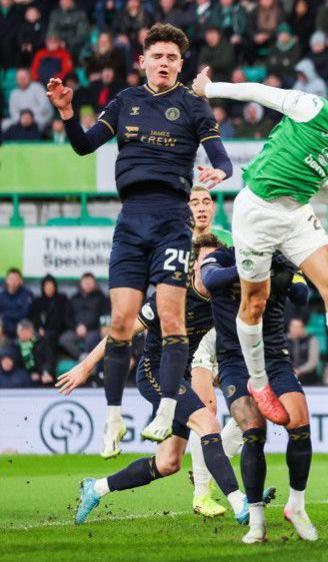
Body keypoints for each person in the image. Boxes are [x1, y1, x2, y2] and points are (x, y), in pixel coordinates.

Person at [47, 23, 234, 453]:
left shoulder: (192, 105)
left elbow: (220, 155)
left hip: (171, 220)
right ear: (142, 61)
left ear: (180, 65)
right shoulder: (125, 102)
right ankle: (112, 420)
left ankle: (167, 409)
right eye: (158, 56)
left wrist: (220, 170)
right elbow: (83, 145)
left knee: (170, 318)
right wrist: (67, 113)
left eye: (172, 57)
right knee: (120, 322)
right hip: (131, 222)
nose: (164, 63)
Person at [191, 63, 328, 417]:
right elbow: (259, 92)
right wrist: (209, 90)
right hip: (257, 211)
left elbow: (315, 185)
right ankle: (258, 384)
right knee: (254, 303)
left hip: (295, 213)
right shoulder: (315, 111)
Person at [57, 237, 250, 530]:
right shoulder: (172, 294)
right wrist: (85, 366)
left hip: (180, 376)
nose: (210, 268)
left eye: (217, 262)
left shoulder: (222, 301)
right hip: (154, 373)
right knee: (208, 424)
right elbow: (122, 333)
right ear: (194, 265)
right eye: (205, 261)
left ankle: (95, 488)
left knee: (168, 462)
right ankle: (239, 501)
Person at [199, 237, 317, 543]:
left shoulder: (283, 259)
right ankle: (256, 520)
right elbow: (209, 280)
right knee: (253, 431)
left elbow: (303, 295)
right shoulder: (220, 258)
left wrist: (285, 273)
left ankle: (297, 506)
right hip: (235, 362)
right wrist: (252, 267)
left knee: (300, 425)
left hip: (274, 358)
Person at [29, 275, 71, 378]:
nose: (49, 290)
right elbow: (34, 319)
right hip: (41, 333)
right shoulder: (38, 302)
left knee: (47, 340)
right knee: (38, 344)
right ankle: (42, 372)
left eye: (51, 287)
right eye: (47, 287)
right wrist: (39, 329)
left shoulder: (61, 299)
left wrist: (48, 330)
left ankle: (47, 372)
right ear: (43, 288)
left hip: (58, 331)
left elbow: (64, 319)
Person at [61, 273, 109, 359]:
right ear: (81, 283)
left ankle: (91, 364)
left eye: (90, 283)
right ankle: (82, 357)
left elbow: (105, 314)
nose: (87, 285)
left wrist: (101, 327)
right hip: (76, 330)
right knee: (64, 339)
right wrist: (76, 327)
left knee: (91, 341)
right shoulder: (74, 298)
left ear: (94, 284)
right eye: (85, 283)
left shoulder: (101, 298)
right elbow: (67, 317)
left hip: (94, 330)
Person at [3, 68, 52, 132]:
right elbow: (13, 111)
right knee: (4, 124)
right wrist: (22, 119)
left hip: (38, 118)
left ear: (29, 78)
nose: (22, 80)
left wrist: (29, 118)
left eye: (24, 78)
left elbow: (44, 107)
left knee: (41, 122)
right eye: (20, 79)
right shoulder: (14, 93)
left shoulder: (38, 87)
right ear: (16, 80)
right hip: (20, 120)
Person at [1, 268, 33, 340]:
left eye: (16, 279)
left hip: (21, 328)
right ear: (6, 280)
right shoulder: (2, 295)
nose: (13, 282)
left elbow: (24, 314)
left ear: (20, 281)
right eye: (11, 279)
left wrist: (6, 315)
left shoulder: (27, 294)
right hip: (5, 329)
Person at [287, 317, 320, 385]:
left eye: (298, 327)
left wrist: (300, 370)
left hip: (309, 380)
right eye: (294, 327)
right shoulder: (283, 340)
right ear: (289, 328)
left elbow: (313, 361)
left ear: (303, 328)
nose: (296, 329)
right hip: (287, 377)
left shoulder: (312, 340)